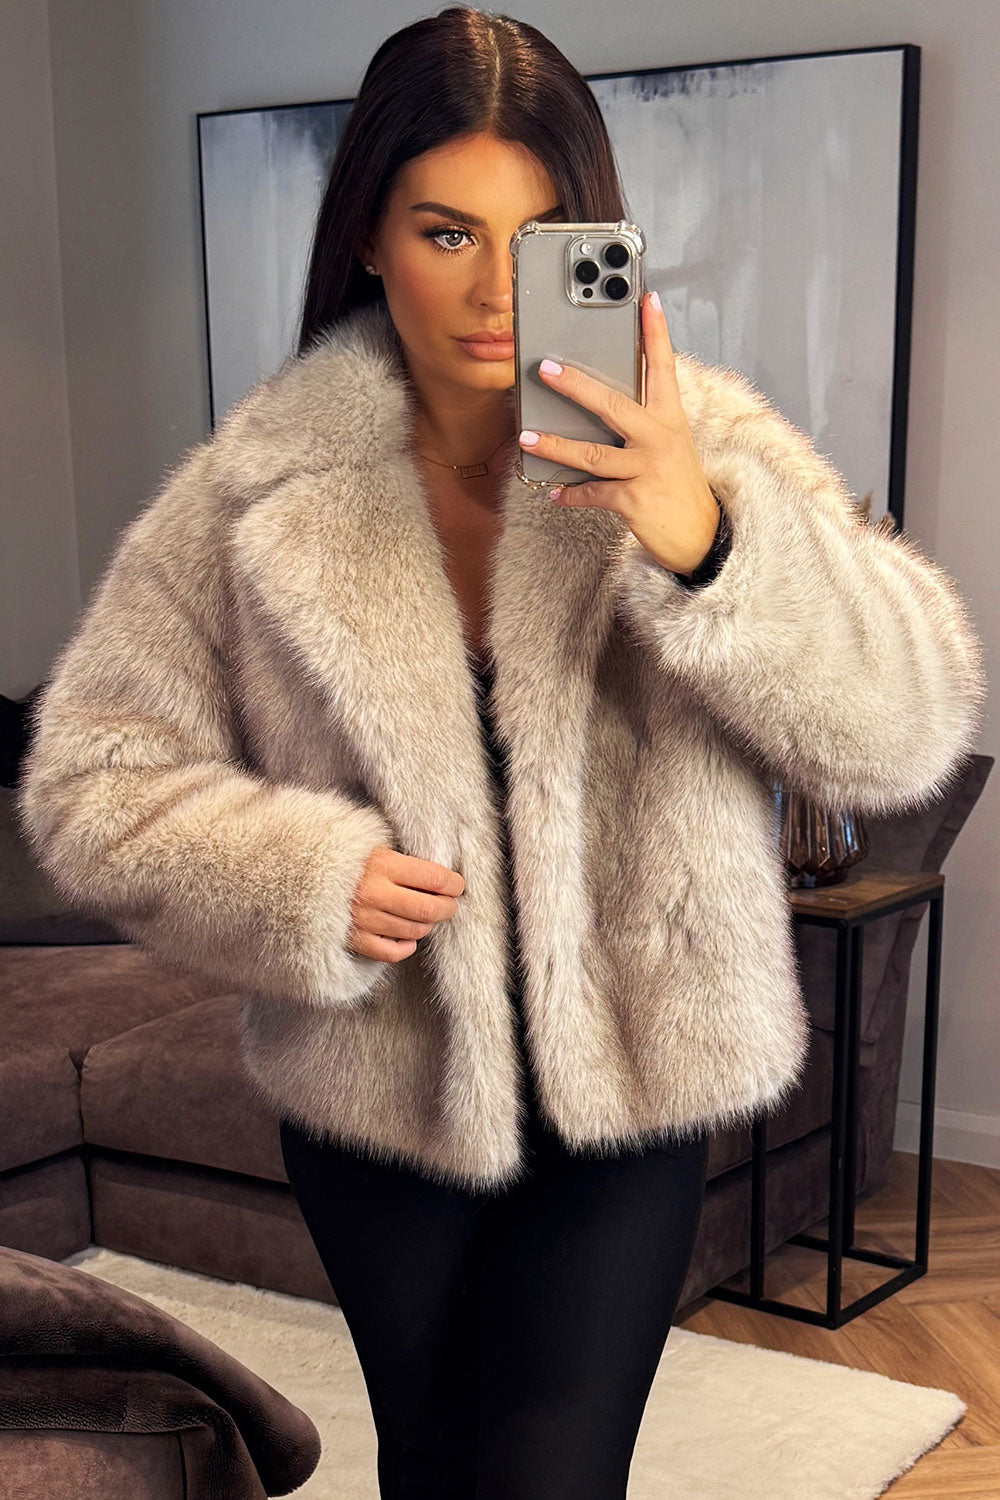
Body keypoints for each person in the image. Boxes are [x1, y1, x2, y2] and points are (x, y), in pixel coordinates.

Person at [17, 7, 986, 1499]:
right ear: (367, 237)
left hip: (634, 1080)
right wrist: (301, 875)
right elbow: (88, 781)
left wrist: (709, 544)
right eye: (446, 232)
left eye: (538, 241)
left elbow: (910, 724)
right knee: (432, 1467)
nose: (492, 292)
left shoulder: (704, 446)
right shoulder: (251, 491)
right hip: (379, 1087)